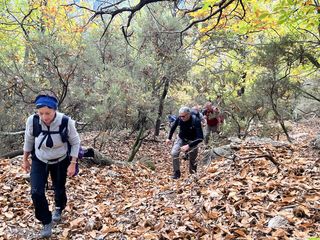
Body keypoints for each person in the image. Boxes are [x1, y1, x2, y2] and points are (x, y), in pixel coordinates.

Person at [22, 91, 80, 238]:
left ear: (55, 110)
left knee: (59, 188)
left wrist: (73, 163)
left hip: (60, 160)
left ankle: (59, 207)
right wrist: (25, 159)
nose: (44, 117)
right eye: (41, 113)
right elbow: (28, 140)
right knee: (36, 192)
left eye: (48, 113)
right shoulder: (33, 120)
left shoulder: (66, 122)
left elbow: (75, 142)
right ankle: (46, 221)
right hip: (39, 159)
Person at [166, 106, 203, 179]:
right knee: (174, 153)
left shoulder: (195, 120)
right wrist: (169, 138)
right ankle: (176, 173)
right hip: (181, 138)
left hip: (193, 141)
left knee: (193, 159)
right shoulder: (180, 118)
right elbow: (174, 126)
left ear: (188, 114)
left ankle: (193, 175)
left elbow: (200, 138)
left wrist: (189, 146)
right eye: (180, 116)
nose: (181, 118)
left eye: (183, 116)